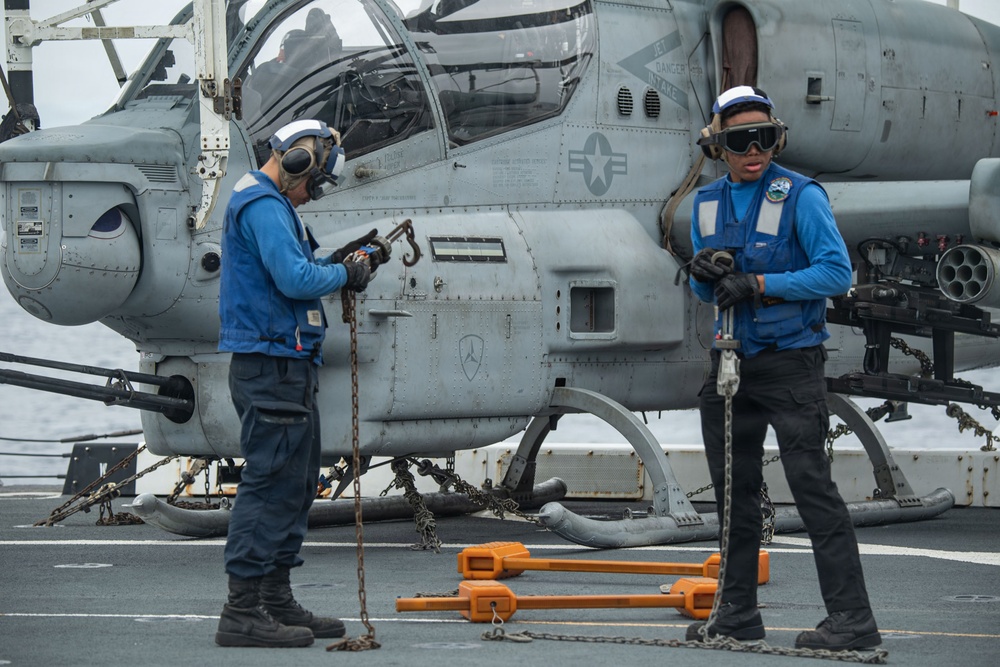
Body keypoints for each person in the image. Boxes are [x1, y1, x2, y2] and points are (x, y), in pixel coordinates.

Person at [686, 86, 881, 651]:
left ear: (777, 139)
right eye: (741, 141)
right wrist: (703, 275)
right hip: (729, 368)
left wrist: (760, 284)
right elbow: (707, 292)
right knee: (733, 495)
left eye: (764, 138)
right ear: (719, 146)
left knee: (812, 489)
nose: (754, 151)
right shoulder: (704, 204)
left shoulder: (801, 196)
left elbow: (835, 274)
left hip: (790, 366)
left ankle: (853, 620)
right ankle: (737, 614)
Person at [215, 118, 377, 648]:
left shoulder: (274, 205)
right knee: (269, 485)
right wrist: (345, 274)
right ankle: (241, 611)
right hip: (271, 367)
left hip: (288, 365)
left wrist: (342, 260)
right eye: (313, 182)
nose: (310, 194)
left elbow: (301, 268)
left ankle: (275, 597)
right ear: (296, 161)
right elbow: (294, 279)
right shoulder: (263, 205)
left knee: (297, 483)